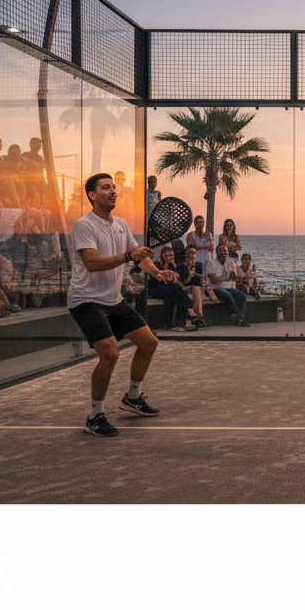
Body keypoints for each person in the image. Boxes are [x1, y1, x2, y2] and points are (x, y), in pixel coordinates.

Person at [67, 173, 173, 437]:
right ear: (92, 195)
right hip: (86, 300)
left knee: (149, 343)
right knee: (110, 354)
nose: (113, 191)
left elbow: (139, 259)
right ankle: (94, 416)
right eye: (106, 188)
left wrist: (157, 272)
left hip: (113, 299)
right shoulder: (84, 225)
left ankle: (132, 398)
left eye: (114, 187)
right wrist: (128, 255)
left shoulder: (121, 225)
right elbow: (92, 263)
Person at [149, 246, 199, 331]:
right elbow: (158, 280)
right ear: (162, 256)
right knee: (176, 288)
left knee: (177, 297)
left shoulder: (172, 266)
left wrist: (173, 279)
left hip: (169, 290)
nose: (169, 257)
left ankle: (179, 324)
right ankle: (189, 310)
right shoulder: (157, 264)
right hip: (156, 290)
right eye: (166, 255)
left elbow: (174, 281)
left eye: (171, 255)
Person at [207, 242, 249, 326]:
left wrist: (234, 275)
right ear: (216, 252)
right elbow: (213, 279)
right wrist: (226, 278)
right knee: (227, 295)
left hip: (228, 287)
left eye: (225, 251)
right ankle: (240, 318)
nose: (223, 252)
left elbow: (234, 276)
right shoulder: (211, 263)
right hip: (215, 289)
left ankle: (237, 316)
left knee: (242, 296)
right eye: (221, 251)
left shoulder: (230, 261)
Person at [175, 246, 208, 326]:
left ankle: (193, 318)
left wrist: (202, 280)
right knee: (194, 289)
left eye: (194, 253)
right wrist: (191, 274)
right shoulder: (181, 266)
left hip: (197, 291)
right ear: (185, 254)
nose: (192, 255)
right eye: (189, 253)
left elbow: (202, 284)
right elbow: (184, 283)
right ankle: (200, 316)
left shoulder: (198, 265)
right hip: (185, 289)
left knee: (194, 294)